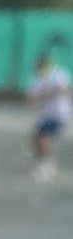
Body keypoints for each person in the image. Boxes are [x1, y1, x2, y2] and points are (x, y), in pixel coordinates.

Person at [27, 51, 73, 181]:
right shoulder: (36, 80)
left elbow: (63, 90)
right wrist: (45, 95)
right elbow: (31, 99)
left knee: (43, 138)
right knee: (35, 138)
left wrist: (45, 94)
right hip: (46, 115)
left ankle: (48, 165)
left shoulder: (58, 74)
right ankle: (44, 162)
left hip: (60, 114)